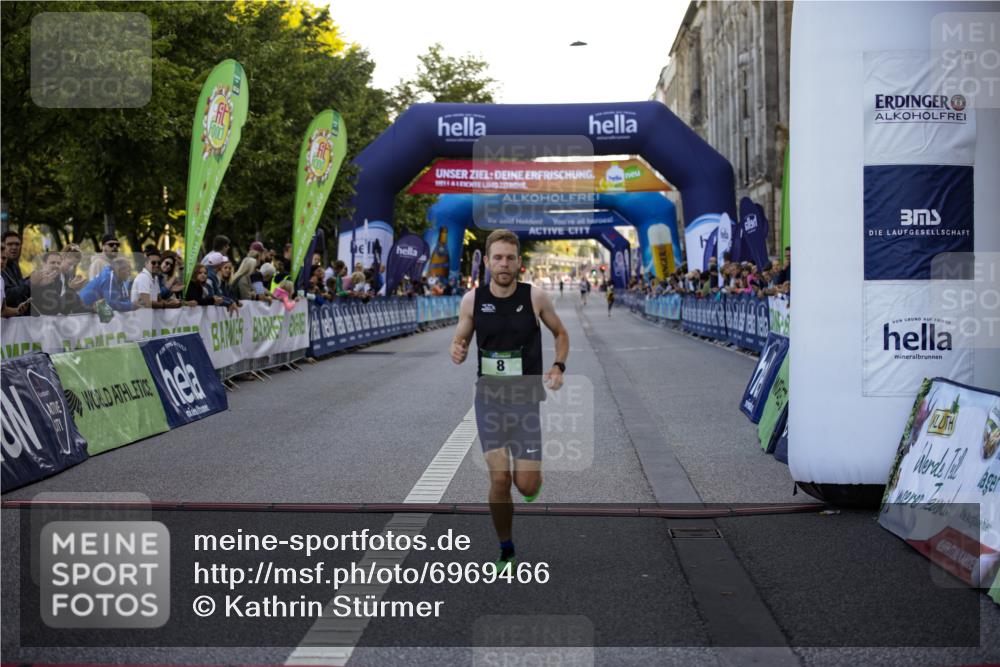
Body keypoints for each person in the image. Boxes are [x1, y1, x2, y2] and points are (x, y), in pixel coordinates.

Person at [449, 229, 569, 572]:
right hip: (489, 400)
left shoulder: (536, 297)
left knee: (526, 484)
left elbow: (561, 333)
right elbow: (461, 337)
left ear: (519, 263)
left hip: (526, 400)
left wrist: (559, 365)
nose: (503, 264)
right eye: (497, 258)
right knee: (499, 479)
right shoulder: (472, 300)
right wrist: (457, 348)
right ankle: (506, 548)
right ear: (487, 262)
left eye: (510, 258)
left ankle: (532, 481)